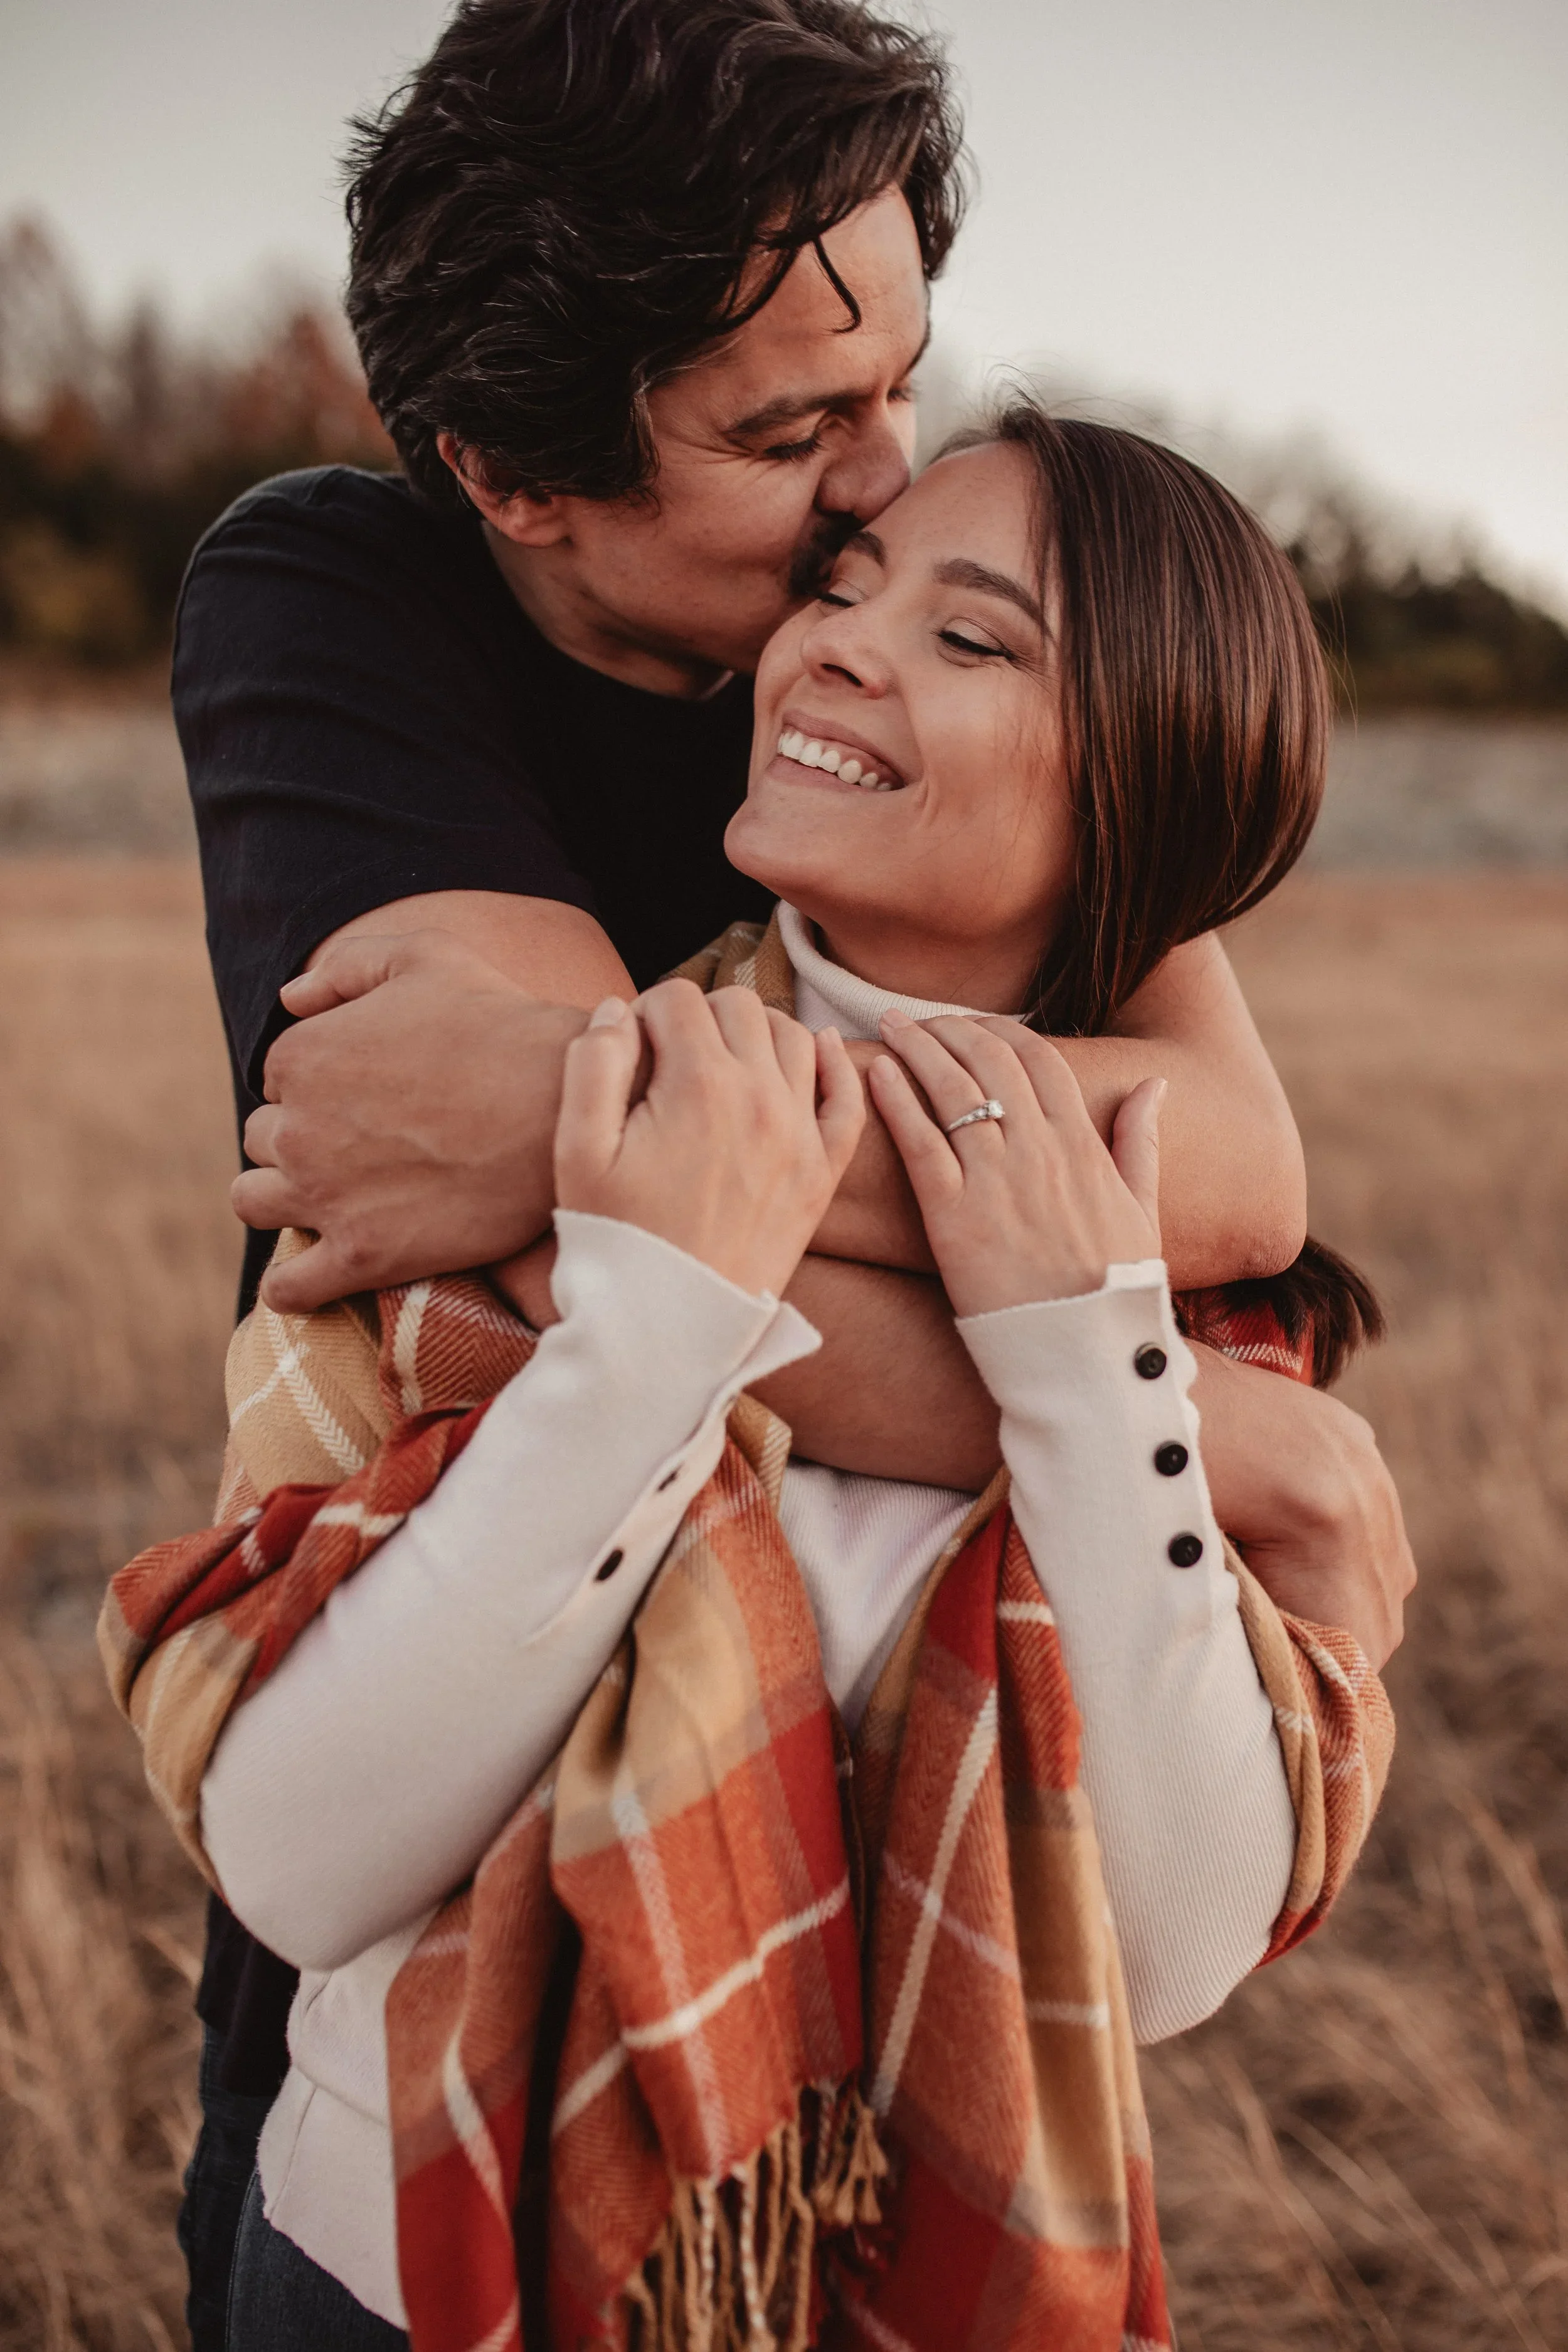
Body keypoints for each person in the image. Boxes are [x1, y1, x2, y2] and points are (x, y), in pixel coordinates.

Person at [166, 0, 1413, 2334]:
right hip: (429, 2000)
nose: (875, 491)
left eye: (902, 388)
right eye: (793, 437)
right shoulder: (348, 610)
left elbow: (1219, 1168)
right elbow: (538, 1232)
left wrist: (1114, 1358)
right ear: (518, 477)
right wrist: (1196, 1428)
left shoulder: (981, 722)